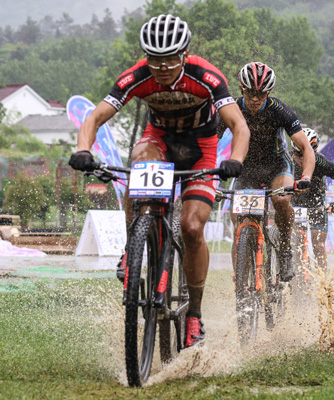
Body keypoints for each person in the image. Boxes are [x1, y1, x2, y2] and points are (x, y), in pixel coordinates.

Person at [68, 14, 251, 348]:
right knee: (139, 164)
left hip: (201, 148)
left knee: (192, 227)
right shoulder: (137, 76)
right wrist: (83, 149)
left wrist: (235, 160)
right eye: (154, 59)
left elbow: (240, 126)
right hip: (160, 141)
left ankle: (194, 312)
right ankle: (133, 247)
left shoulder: (206, 76)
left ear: (184, 54)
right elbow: (95, 117)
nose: (162, 67)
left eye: (170, 59)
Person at [219, 61, 315, 282]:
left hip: (277, 166)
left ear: (269, 92)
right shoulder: (231, 108)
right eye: (250, 92)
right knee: (238, 221)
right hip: (246, 169)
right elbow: (210, 140)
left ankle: (285, 249)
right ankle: (241, 281)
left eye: (261, 94)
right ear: (241, 89)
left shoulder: (279, 110)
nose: (255, 98)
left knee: (281, 200)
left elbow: (305, 147)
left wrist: (306, 177)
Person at [290, 127, 334, 270]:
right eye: (298, 153)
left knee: (318, 245)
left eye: (307, 153)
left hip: (316, 204)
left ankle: (324, 280)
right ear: (293, 149)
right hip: (293, 204)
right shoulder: (286, 160)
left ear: (314, 151)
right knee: (290, 241)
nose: (302, 158)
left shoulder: (320, 161)